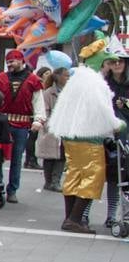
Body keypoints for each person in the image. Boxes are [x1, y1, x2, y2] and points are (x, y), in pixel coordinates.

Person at [48, 58, 124, 234]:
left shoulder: (77, 79)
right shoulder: (94, 82)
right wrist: (116, 124)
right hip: (88, 137)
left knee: (74, 174)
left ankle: (70, 218)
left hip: (71, 135)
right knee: (92, 176)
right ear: (101, 64)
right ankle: (74, 219)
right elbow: (102, 107)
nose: (113, 66)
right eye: (110, 63)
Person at [0, 49, 46, 204]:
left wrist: (39, 119)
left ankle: (12, 190)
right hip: (1, 123)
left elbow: (38, 101)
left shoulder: (33, 80)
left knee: (16, 159)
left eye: (12, 61)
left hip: (21, 125)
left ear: (21, 61)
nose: (9, 64)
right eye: (8, 62)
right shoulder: (0, 78)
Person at [100, 38, 129, 227]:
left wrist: (126, 104)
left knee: (125, 177)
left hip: (126, 137)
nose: (117, 64)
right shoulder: (103, 83)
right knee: (111, 176)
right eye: (113, 61)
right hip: (105, 136)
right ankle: (111, 215)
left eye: (120, 61)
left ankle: (123, 215)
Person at [36, 61, 69, 192]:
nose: (68, 78)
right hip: (51, 128)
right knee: (50, 156)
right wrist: (52, 124)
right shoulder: (48, 93)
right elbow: (44, 111)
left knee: (61, 157)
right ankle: (48, 181)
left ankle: (55, 181)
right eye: (66, 76)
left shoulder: (69, 92)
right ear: (58, 77)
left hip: (65, 128)